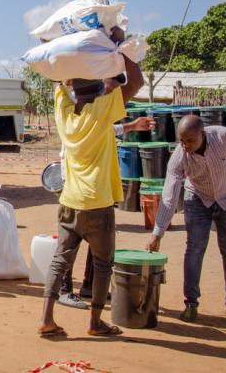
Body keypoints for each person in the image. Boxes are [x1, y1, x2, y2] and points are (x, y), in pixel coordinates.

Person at [39, 25, 143, 338]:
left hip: (69, 200)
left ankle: (46, 318)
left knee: (60, 261)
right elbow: (135, 81)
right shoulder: (102, 112)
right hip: (97, 204)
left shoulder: (64, 113)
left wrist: (62, 48)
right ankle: (96, 322)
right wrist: (120, 45)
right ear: (98, 91)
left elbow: (60, 79)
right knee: (102, 264)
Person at [146, 115, 226, 324]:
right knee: (195, 249)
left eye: (190, 140)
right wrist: (157, 232)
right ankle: (191, 303)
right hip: (197, 198)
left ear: (202, 134)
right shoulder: (179, 157)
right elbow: (169, 197)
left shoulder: (225, 137)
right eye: (181, 141)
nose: (185, 145)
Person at [57, 116, 157, 309]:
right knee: (70, 240)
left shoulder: (93, 114)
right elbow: (98, 130)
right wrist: (132, 126)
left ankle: (89, 285)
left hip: (96, 186)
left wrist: (131, 126)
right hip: (75, 187)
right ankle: (64, 290)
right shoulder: (77, 114)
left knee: (98, 240)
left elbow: (105, 129)